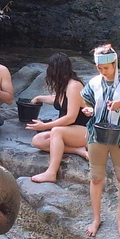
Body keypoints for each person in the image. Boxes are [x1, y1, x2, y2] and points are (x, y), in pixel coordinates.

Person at [80, 44, 120, 238]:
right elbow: (86, 102)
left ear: (115, 64)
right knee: (96, 177)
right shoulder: (94, 83)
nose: (102, 71)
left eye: (105, 68)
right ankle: (96, 218)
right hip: (97, 135)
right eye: (99, 68)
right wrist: (88, 110)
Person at [26, 52, 89, 183]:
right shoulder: (64, 85)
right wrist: (39, 98)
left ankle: (51, 172)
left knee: (56, 131)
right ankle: (77, 150)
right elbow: (58, 100)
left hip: (86, 132)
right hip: (70, 132)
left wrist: (45, 126)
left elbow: (70, 117)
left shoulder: (74, 85)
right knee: (37, 140)